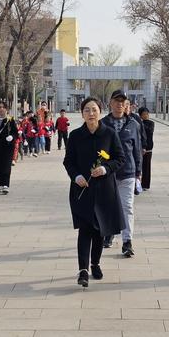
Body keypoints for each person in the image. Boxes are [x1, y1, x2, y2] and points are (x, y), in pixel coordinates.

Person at [63, 97, 126, 287]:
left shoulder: (109, 134)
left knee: (99, 229)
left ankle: (95, 263)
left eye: (94, 110)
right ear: (82, 113)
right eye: (87, 110)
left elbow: (120, 158)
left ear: (100, 111)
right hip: (82, 190)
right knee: (84, 229)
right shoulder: (75, 136)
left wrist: (106, 168)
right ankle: (83, 270)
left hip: (104, 190)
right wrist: (76, 176)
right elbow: (69, 161)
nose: (91, 113)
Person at [101, 90, 142, 257]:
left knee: (127, 207)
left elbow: (137, 149)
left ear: (126, 104)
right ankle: (109, 234)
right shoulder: (102, 124)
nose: (119, 104)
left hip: (127, 173)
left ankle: (127, 241)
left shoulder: (133, 124)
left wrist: (138, 172)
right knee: (109, 206)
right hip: (107, 173)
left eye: (122, 101)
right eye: (116, 101)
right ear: (110, 103)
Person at [138, 107, 154, 190]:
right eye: (144, 114)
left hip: (148, 147)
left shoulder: (151, 123)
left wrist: (141, 124)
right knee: (139, 167)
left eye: (147, 114)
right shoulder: (138, 123)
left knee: (146, 166)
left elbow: (149, 131)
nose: (146, 116)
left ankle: (145, 184)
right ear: (140, 115)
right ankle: (138, 183)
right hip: (139, 148)